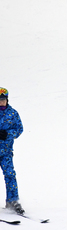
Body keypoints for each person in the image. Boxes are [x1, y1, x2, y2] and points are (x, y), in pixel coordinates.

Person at [0, 87, 24, 215]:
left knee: (10, 175)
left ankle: (12, 201)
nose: (1, 102)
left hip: (6, 153)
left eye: (3, 100)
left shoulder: (12, 113)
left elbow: (19, 129)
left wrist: (8, 134)